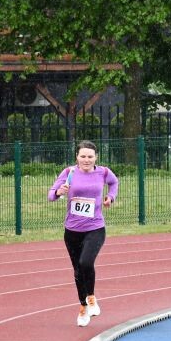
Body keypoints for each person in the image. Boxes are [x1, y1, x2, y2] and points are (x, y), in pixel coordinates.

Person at [49, 140, 119, 327]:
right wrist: (58, 191)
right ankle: (83, 307)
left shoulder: (103, 172)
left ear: (96, 157)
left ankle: (91, 298)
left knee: (86, 262)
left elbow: (114, 183)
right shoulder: (69, 173)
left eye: (90, 156)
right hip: (72, 230)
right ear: (77, 157)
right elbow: (51, 195)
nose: (86, 160)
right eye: (83, 156)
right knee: (78, 271)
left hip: (95, 228)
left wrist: (110, 197)